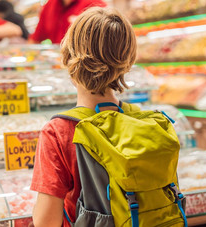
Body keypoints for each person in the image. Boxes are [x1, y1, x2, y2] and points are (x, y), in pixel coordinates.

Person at [31, 7, 137, 227]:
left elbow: (46, 222)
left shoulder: (58, 131)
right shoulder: (143, 121)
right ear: (128, 59)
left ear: (69, 57)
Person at [29, 0, 107, 44]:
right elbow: (35, 39)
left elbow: (104, 43)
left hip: (83, 65)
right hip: (58, 63)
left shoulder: (95, 4)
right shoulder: (50, 4)